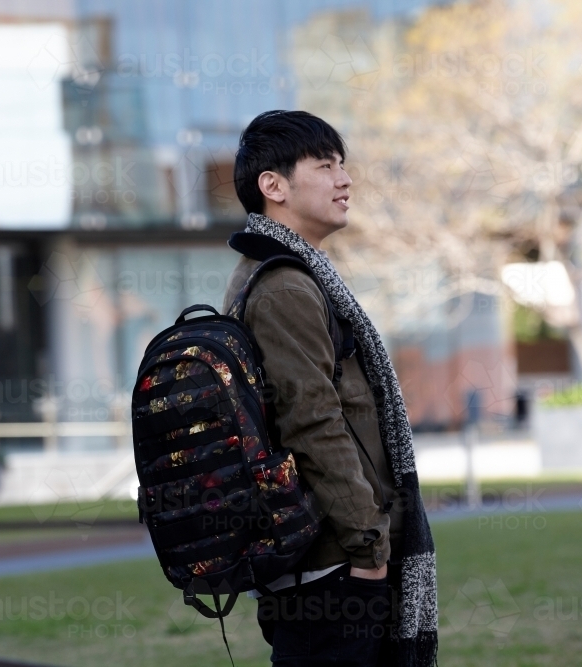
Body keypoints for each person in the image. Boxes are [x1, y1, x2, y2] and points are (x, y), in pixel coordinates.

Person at [221, 110, 438, 667]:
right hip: (331, 564)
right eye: (324, 165)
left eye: (343, 164)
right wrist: (367, 543)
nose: (344, 179)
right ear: (274, 186)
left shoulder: (287, 275)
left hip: (331, 557)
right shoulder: (283, 287)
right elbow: (311, 421)